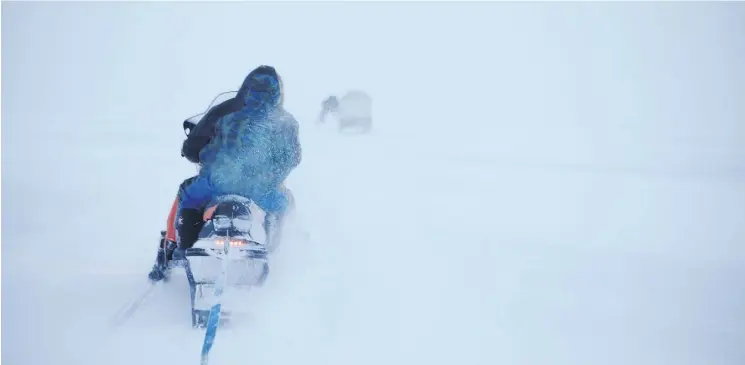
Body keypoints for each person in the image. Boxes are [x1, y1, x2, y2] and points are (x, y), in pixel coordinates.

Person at [148, 65, 301, 282]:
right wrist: (269, 179)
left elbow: (203, 147)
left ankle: (181, 247)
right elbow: (291, 158)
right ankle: (271, 249)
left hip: (217, 182)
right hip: (260, 190)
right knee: (283, 206)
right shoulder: (285, 121)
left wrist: (208, 161)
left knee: (188, 196)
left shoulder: (228, 114)